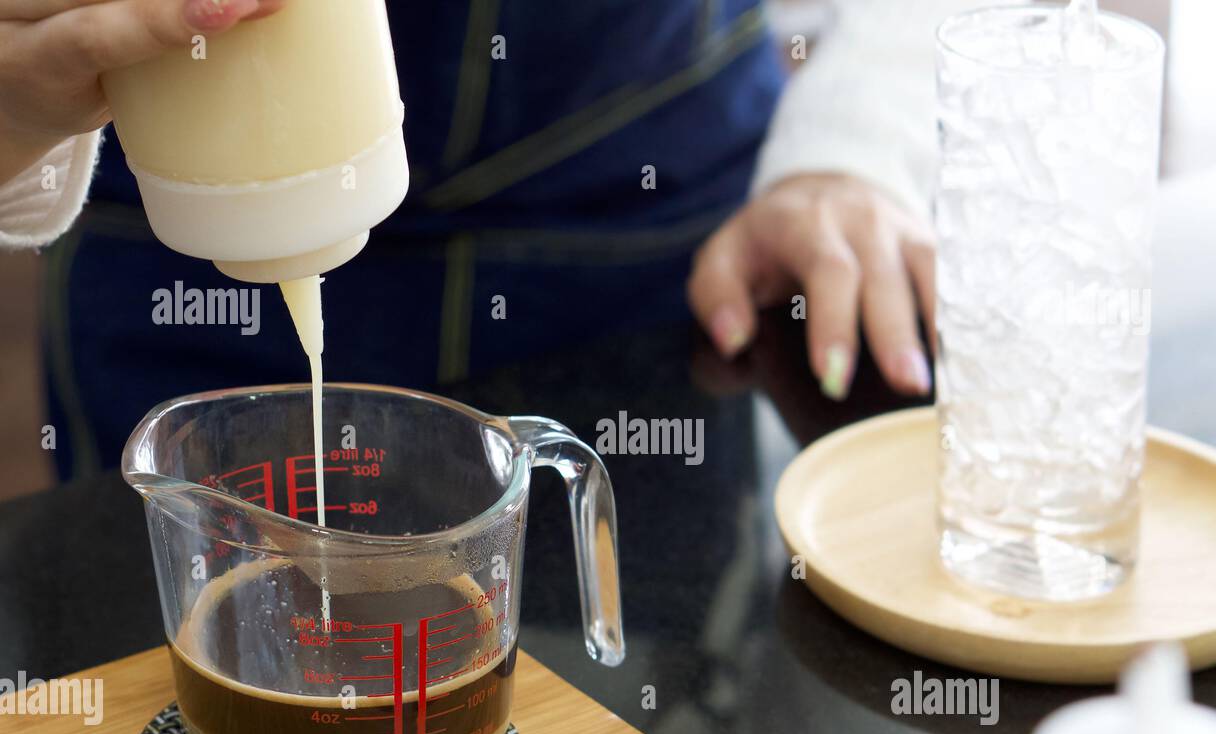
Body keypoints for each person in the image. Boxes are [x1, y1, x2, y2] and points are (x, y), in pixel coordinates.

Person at [0, 0, 972, 478]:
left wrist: (852, 145)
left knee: (660, 688)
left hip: (647, 236)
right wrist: (15, 117)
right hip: (179, 236)